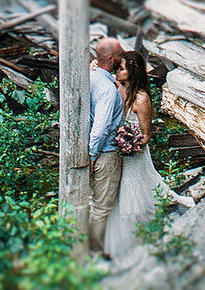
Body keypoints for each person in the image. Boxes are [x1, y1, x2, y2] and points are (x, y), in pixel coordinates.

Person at [103, 42, 173, 261]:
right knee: (119, 194)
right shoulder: (122, 90)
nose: (117, 71)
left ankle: (139, 239)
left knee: (133, 194)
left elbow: (146, 135)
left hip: (134, 155)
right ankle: (121, 243)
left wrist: (129, 143)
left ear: (131, 72)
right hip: (121, 153)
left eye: (121, 68)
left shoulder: (141, 99)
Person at [86, 36, 125, 255]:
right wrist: (92, 156)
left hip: (96, 150)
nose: (122, 59)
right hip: (105, 153)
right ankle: (93, 252)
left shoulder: (92, 77)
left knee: (93, 201)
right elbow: (100, 128)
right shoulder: (108, 91)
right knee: (101, 207)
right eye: (119, 55)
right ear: (110, 58)